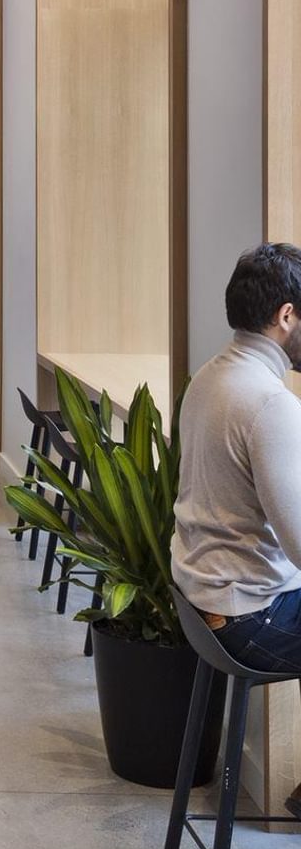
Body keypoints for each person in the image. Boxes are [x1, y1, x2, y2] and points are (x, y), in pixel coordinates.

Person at [171, 243, 301, 816]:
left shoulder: (211, 375)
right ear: (287, 315)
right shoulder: (270, 400)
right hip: (249, 617)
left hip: (200, 598)